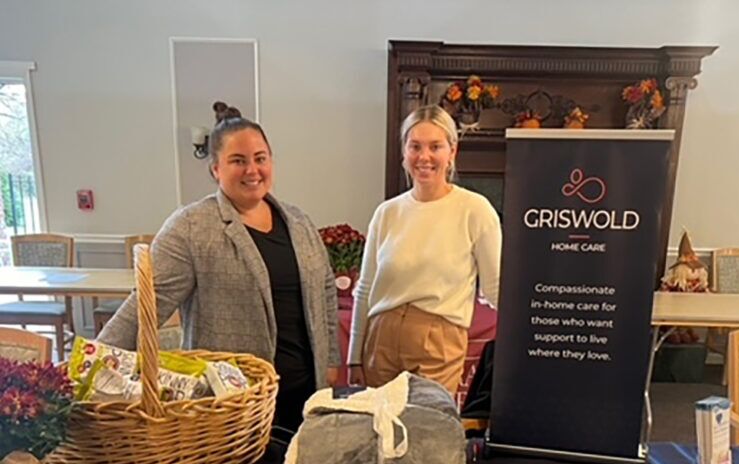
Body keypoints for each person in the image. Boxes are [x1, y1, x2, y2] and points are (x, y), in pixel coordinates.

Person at [99, 104, 340, 431]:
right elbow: (146, 305)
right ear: (215, 169)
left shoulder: (298, 221)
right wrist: (93, 366)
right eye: (238, 161)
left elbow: (325, 290)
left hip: (306, 395)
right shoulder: (192, 227)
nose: (252, 169)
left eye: (260, 158)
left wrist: (331, 363)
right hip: (230, 406)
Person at [347, 104, 501, 395]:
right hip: (381, 338)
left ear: (452, 152)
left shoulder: (474, 210)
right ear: (404, 152)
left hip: (438, 340)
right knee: (380, 431)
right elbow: (365, 288)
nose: (424, 156)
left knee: (428, 432)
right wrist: (354, 356)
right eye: (415, 146)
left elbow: (495, 287)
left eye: (435, 146)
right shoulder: (387, 213)